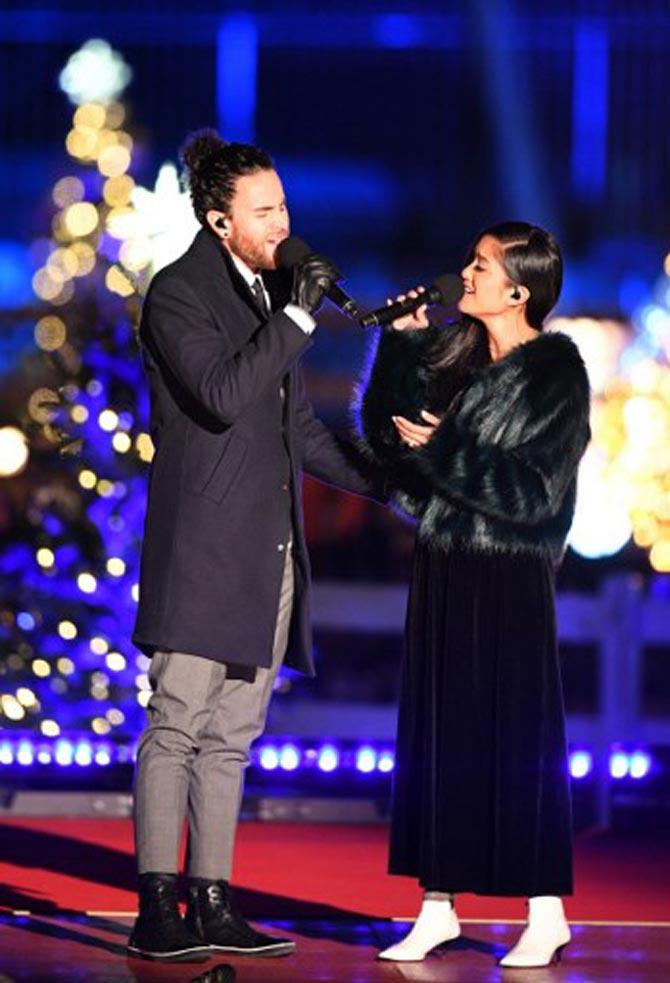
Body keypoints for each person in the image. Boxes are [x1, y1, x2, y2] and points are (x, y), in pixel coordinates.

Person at [128, 130, 384, 962]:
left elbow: (295, 428)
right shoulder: (179, 294)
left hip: (268, 549)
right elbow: (223, 393)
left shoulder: (269, 299)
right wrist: (303, 313)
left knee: (233, 733)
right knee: (177, 725)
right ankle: (158, 904)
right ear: (217, 220)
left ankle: (213, 898)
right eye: (264, 211)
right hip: (203, 546)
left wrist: (389, 483)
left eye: (284, 206)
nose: (283, 224)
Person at [356, 222, 591, 968]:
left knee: (518, 744)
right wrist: (399, 345)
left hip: (511, 573)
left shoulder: (555, 374)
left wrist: (445, 450)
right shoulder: (457, 358)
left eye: (482, 265)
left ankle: (545, 909)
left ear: (519, 290)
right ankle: (436, 904)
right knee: (437, 739)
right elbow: (393, 454)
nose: (467, 272)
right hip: (445, 568)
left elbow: (530, 492)